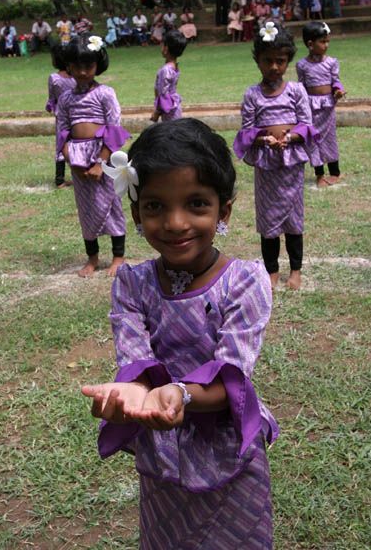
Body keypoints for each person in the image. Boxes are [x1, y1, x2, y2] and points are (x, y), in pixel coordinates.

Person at [82, 117, 278, 549]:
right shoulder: (132, 284)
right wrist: (129, 396)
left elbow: (232, 375)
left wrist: (181, 394)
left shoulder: (244, 282)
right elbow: (134, 359)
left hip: (227, 449)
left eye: (195, 204)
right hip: (163, 451)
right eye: (155, 206)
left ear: (223, 211)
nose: (174, 222)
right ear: (135, 211)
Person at [233, 24, 321, 290]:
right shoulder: (252, 95)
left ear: (288, 61)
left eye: (280, 61)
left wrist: (290, 138)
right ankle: (271, 270)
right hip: (267, 164)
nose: (274, 67)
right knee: (268, 219)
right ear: (257, 60)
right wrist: (264, 139)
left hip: (291, 163)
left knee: (294, 219)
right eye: (268, 61)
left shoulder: (296, 91)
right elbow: (247, 130)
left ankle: (295, 270)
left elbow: (306, 124)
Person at [56, 33, 130, 277]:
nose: (83, 71)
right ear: (69, 66)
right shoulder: (65, 97)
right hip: (78, 160)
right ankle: (93, 257)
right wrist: (71, 160)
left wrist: (101, 161)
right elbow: (63, 131)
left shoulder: (105, 93)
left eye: (88, 66)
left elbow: (114, 127)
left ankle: (118, 256)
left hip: (103, 157)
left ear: (98, 65)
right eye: (77, 66)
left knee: (111, 205)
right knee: (86, 209)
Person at [297, 21, 346, 188]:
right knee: (313, 140)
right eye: (323, 41)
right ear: (310, 44)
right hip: (310, 108)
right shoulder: (302, 65)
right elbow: (301, 86)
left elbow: (336, 81)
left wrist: (338, 91)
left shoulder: (331, 62)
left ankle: (335, 172)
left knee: (330, 139)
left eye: (328, 41)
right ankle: (319, 174)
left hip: (327, 108)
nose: (327, 45)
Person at [45, 44, 76, 188]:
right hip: (78, 116)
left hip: (62, 118)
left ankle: (60, 179)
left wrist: (50, 107)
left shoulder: (54, 78)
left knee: (61, 145)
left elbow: (51, 100)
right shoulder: (77, 77)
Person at [151, 30, 187, 123]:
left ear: (166, 48)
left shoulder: (165, 70)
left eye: (162, 44)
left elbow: (163, 94)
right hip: (173, 107)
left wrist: (156, 112)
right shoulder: (174, 66)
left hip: (168, 110)